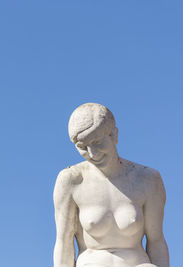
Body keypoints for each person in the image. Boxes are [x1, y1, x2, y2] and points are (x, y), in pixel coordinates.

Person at [53, 103, 169, 267]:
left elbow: (156, 241)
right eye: (82, 147)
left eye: (97, 141)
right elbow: (64, 242)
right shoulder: (71, 180)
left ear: (114, 135)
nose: (92, 153)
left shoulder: (148, 179)